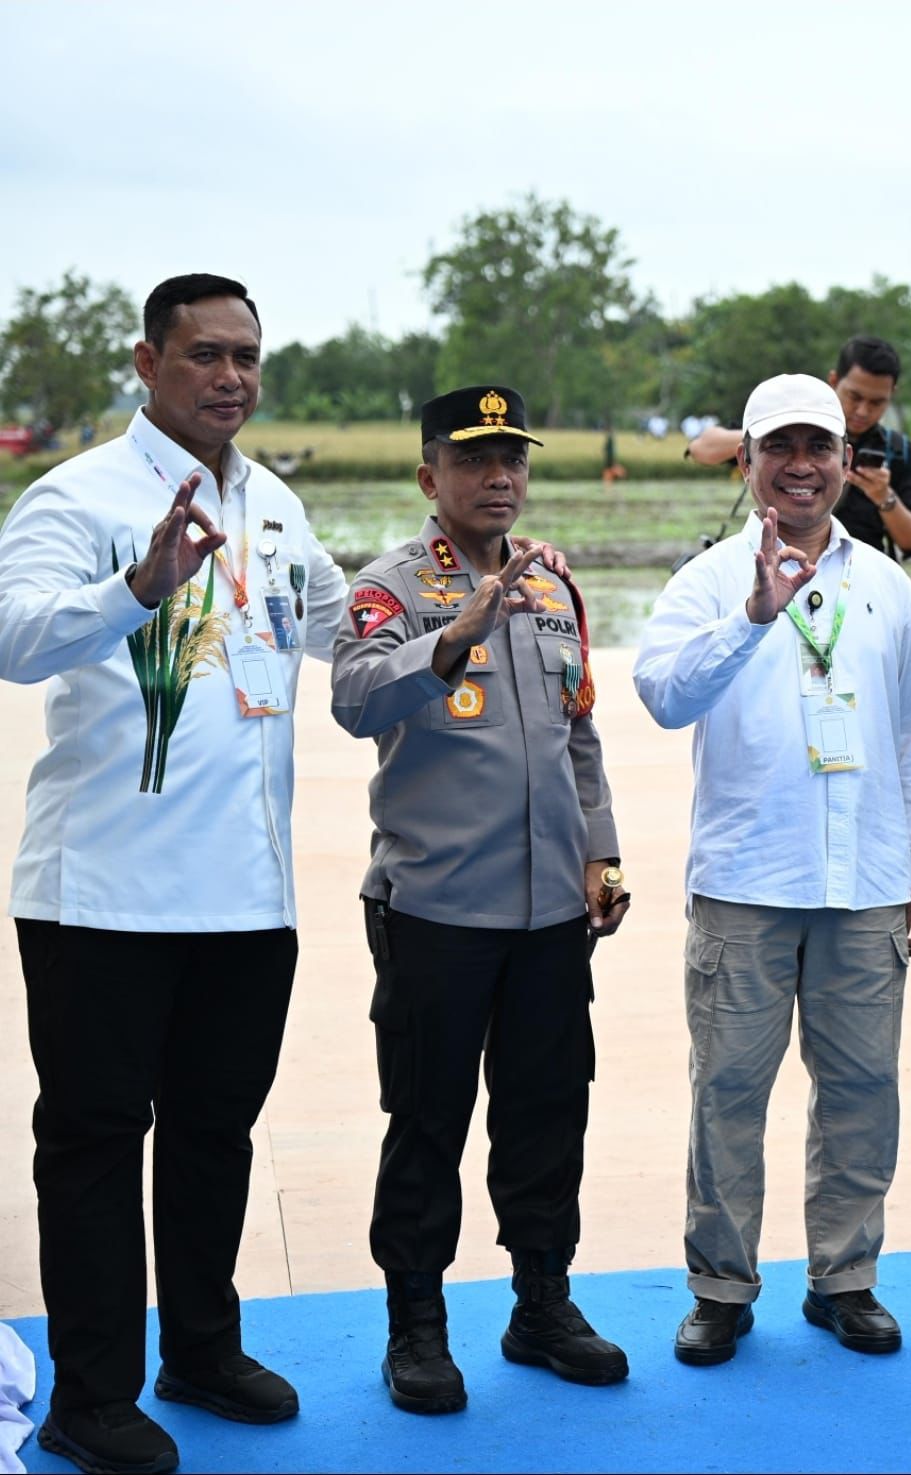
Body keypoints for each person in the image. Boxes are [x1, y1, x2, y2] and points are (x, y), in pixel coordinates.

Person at [0, 273, 348, 1475]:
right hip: (103, 894)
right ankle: (92, 1394)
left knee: (215, 1132)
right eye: (205, 354)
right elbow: (13, 634)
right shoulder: (77, 495)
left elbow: (340, 625)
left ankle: (201, 1347)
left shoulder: (277, 504)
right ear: (146, 364)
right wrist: (136, 586)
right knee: (95, 1142)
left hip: (247, 895)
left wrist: (453, 604)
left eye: (248, 356)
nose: (232, 377)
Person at [331, 385, 631, 1414]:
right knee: (427, 1118)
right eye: (473, 460)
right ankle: (416, 1325)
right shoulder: (390, 586)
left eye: (511, 459)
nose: (498, 477)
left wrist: (601, 854)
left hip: (551, 912)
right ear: (429, 478)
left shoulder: (554, 586)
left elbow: (577, 732)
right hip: (434, 912)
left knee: (548, 1111)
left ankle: (540, 1303)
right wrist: (452, 632)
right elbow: (354, 697)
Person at [633, 373, 911, 1368]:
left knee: (859, 1087)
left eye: (819, 448)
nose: (801, 466)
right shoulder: (709, 579)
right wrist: (755, 616)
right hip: (744, 887)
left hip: (864, 888)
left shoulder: (888, 586)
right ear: (751, 460)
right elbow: (663, 696)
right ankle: (719, 1286)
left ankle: (842, 1278)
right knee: (727, 1090)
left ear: (846, 461)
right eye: (780, 448)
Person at [684, 337, 911, 559]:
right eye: (855, 397)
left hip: (857, 573)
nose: (863, 411)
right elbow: (700, 448)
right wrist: (767, 434)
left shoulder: (899, 451)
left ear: (847, 459)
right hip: (775, 564)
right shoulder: (778, 421)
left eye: (877, 402)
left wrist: (884, 497)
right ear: (834, 381)